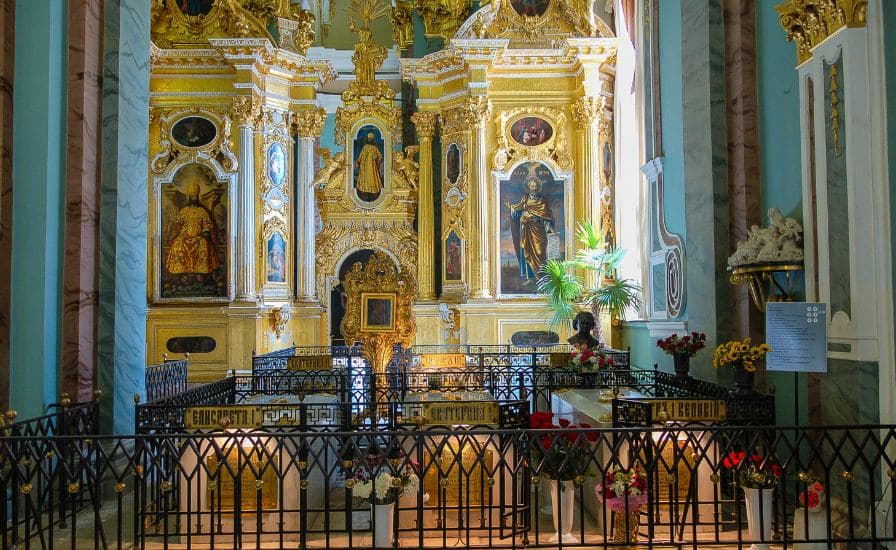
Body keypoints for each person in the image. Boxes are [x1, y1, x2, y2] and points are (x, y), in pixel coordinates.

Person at [506, 176, 554, 282]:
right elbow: (518, 208)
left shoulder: (542, 200)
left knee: (540, 252)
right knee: (527, 251)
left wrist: (548, 226)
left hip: (538, 230)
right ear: (528, 187)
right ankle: (531, 278)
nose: (533, 188)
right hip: (526, 229)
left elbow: (546, 214)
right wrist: (512, 208)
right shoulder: (525, 198)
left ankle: (542, 277)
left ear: (538, 187)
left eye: (535, 186)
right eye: (532, 186)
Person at [166, 181, 220, 275]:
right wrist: (176, 232)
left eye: (195, 196)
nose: (194, 198)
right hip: (184, 236)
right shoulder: (184, 211)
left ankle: (201, 270)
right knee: (178, 244)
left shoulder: (202, 211)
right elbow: (178, 224)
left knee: (203, 244)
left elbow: (208, 224)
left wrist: (206, 231)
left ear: (197, 197)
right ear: (189, 197)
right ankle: (181, 271)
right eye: (192, 196)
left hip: (199, 236)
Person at [355, 131, 383, 201]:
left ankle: (371, 190)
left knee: (371, 177)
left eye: (370, 139)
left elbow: (380, 156)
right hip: (364, 165)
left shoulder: (374, 148)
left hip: (371, 166)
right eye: (369, 139)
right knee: (366, 177)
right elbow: (360, 155)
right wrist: (358, 161)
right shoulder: (365, 147)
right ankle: (363, 189)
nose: (369, 140)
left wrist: (377, 161)